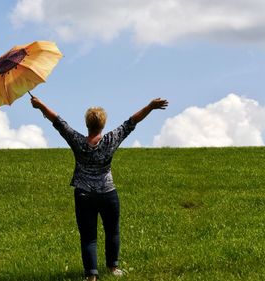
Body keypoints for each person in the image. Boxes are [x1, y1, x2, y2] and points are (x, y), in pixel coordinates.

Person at [30, 96, 168, 280]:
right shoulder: (111, 139)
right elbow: (131, 122)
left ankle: (91, 276)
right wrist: (150, 106)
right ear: (103, 124)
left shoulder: (77, 141)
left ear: (87, 124)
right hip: (107, 193)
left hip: (83, 194)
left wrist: (40, 106)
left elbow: (58, 121)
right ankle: (113, 268)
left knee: (88, 237)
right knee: (112, 231)